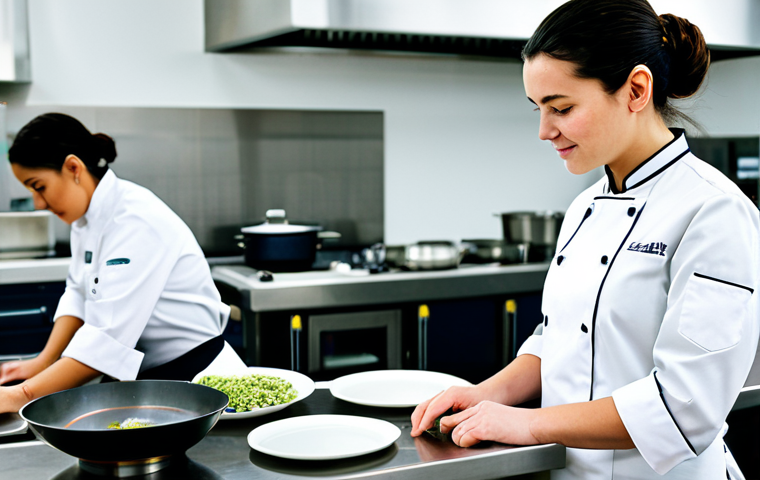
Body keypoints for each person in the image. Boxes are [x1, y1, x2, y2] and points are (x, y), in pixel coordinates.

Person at [410, 1, 759, 478]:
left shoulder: (714, 210)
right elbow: (562, 337)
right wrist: (488, 392)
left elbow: (684, 406)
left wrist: (528, 424)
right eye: (539, 109)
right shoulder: (584, 206)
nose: (544, 130)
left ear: (636, 89)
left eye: (562, 108)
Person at [0, 113, 244, 413]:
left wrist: (21, 395)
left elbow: (106, 340)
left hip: (198, 377)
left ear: (73, 168)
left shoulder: (135, 221)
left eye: (38, 186)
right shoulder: (85, 219)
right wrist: (43, 361)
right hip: (150, 380)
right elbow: (78, 294)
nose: (38, 203)